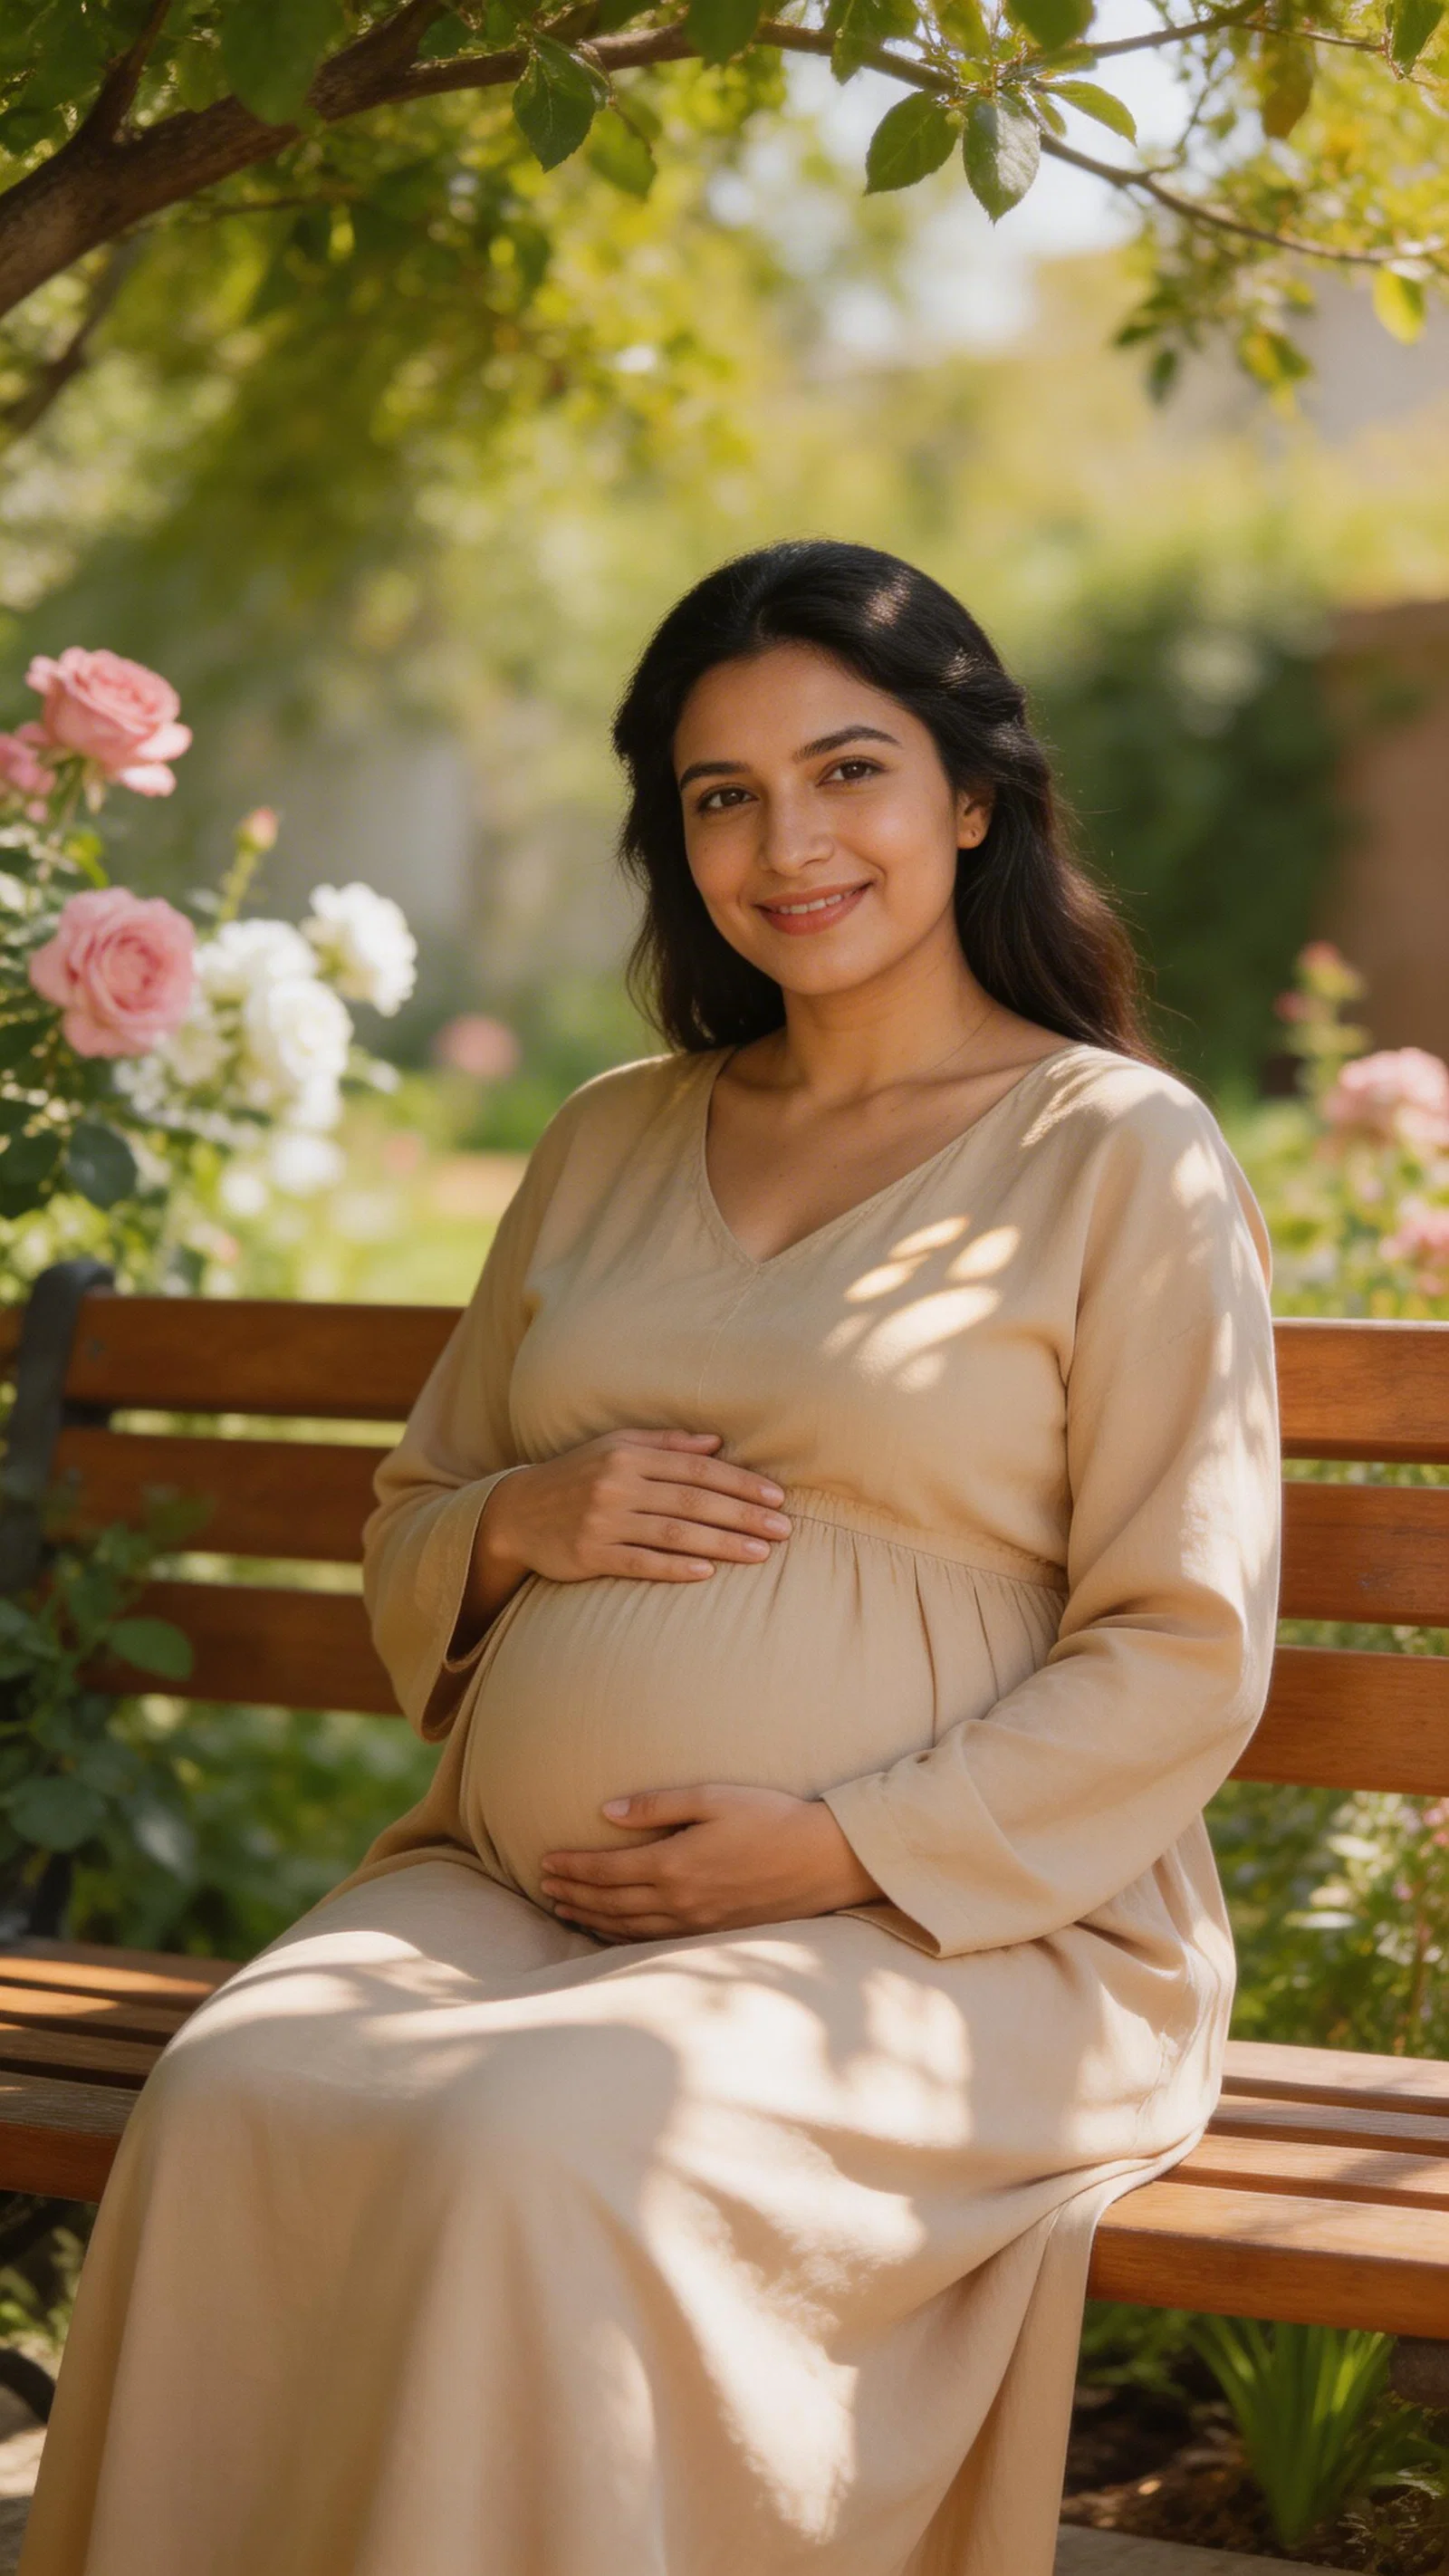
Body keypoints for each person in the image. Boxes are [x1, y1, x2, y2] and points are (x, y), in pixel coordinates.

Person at [22, 541, 1282, 2576]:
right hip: (523, 1895)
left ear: (970, 796)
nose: (787, 842)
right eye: (720, 795)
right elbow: (413, 1514)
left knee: (543, 2148)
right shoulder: (608, 1135)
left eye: (845, 770)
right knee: (240, 2094)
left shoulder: (1108, 1153)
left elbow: (1179, 1645)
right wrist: (522, 1519)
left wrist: (841, 1844)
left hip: (948, 1930)